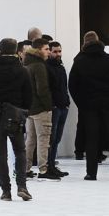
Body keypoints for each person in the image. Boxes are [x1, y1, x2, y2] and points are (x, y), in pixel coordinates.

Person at [0, 38, 33, 202]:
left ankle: (6, 191)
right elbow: (29, 96)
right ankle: (22, 186)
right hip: (16, 117)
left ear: (0, 50)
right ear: (16, 51)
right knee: (20, 151)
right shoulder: (22, 71)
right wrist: (24, 112)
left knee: (1, 155)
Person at [70, 31, 109, 180]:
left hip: (89, 106)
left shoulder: (80, 60)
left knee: (91, 139)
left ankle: (91, 173)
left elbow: (72, 85)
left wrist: (81, 103)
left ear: (84, 43)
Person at [20, 40, 55, 181]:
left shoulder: (26, 64)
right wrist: (48, 106)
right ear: (39, 50)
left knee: (30, 140)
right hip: (41, 109)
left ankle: (25, 169)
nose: (48, 52)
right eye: (46, 49)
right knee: (43, 139)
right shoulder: (39, 66)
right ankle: (43, 169)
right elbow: (42, 89)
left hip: (30, 109)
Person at [48, 40, 72, 174]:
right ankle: (49, 165)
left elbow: (64, 87)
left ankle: (52, 164)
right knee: (51, 138)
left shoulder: (61, 67)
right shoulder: (47, 67)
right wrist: (53, 104)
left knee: (57, 138)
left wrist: (67, 102)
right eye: (55, 51)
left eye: (59, 51)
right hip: (55, 107)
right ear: (50, 52)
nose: (58, 54)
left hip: (63, 106)